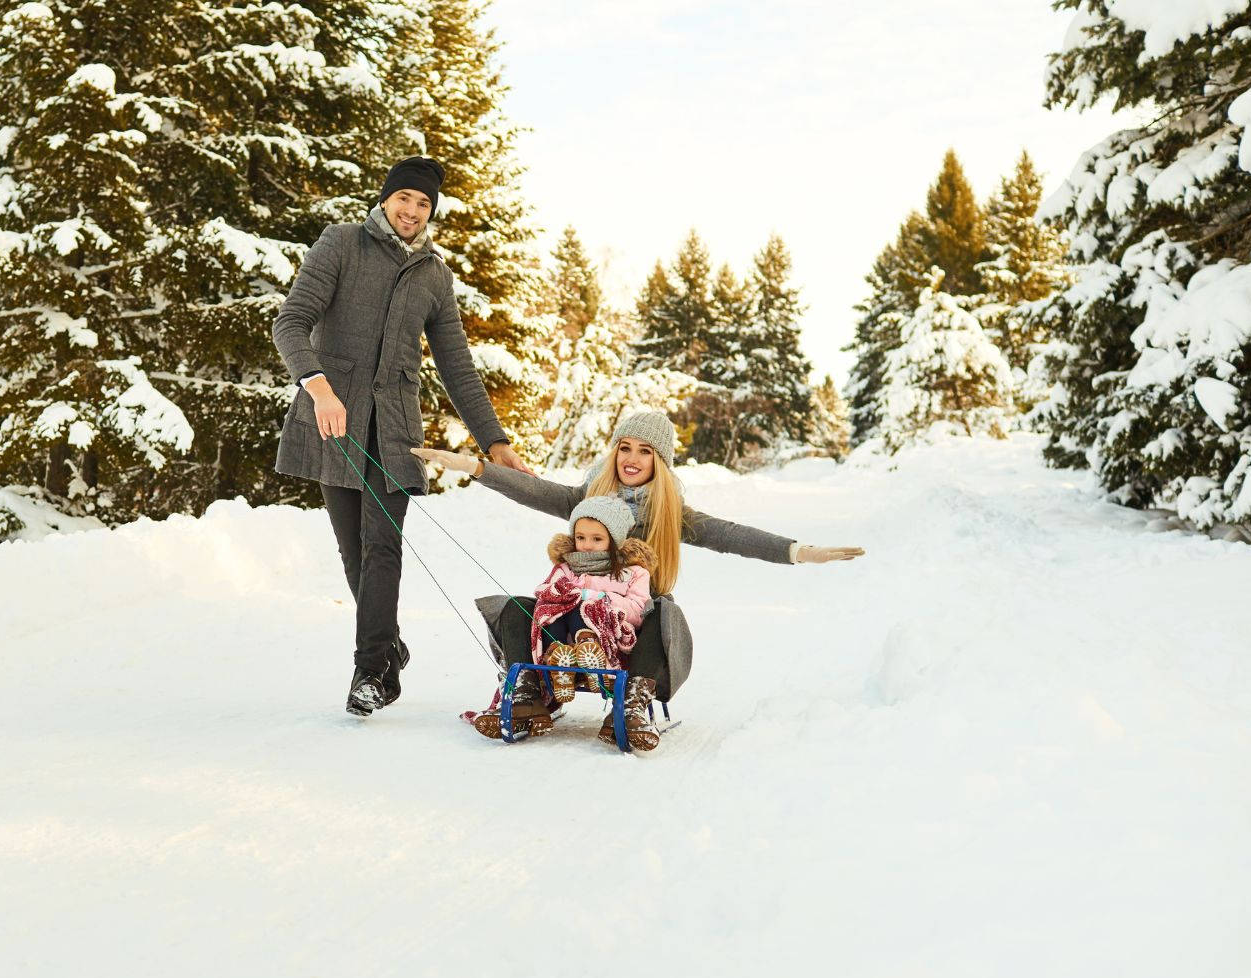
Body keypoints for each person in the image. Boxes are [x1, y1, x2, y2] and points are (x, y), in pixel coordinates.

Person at [413, 411, 865, 750]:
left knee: (664, 610)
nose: (631, 459)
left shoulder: (669, 512)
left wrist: (798, 551)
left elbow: (731, 535)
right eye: (625, 447)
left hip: (629, 625)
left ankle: (631, 701)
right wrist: (473, 467)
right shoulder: (589, 497)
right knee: (514, 606)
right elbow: (533, 490)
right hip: (574, 621)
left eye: (645, 451)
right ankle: (529, 691)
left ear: (660, 460)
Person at [271, 155, 531, 717]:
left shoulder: (434, 274)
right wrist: (319, 389)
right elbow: (290, 322)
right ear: (385, 199)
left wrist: (494, 441)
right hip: (333, 420)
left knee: (382, 545)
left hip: (393, 430)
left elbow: (458, 367)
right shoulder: (341, 243)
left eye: (423, 204)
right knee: (353, 551)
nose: (412, 210)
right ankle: (386, 644)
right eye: (404, 199)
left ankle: (371, 673)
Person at [464, 494, 658, 746]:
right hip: (557, 643)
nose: (586, 545)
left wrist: (595, 597)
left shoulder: (632, 572)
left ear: (615, 540)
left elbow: (638, 609)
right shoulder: (566, 567)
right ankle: (532, 688)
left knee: (583, 605)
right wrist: (560, 594)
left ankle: (589, 649)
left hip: (608, 645)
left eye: (597, 539)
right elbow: (544, 594)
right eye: (580, 537)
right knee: (524, 606)